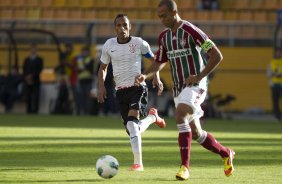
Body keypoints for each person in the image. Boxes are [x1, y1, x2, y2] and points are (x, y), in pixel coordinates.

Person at [135, 0, 235, 180]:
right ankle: (226, 153)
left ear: (174, 13)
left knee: (180, 114)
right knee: (196, 133)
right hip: (179, 88)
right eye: (159, 17)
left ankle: (184, 167)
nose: (162, 19)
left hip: (196, 85)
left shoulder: (191, 31)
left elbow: (216, 55)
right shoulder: (164, 37)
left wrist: (199, 76)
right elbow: (159, 62)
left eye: (164, 15)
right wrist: (145, 75)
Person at [97, 14, 166, 171]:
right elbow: (103, 68)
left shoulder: (139, 43)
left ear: (130, 27)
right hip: (120, 92)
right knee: (132, 128)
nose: (122, 28)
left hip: (137, 88)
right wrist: (101, 86)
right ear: (115, 28)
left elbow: (155, 60)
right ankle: (152, 117)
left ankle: (138, 164)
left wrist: (156, 77)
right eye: (119, 25)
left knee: (132, 125)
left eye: (125, 25)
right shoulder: (109, 45)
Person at [23, 44, 44, 114]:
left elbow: (40, 69)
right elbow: (24, 69)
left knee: (36, 95)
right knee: (28, 95)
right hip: (27, 80)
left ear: (36, 50)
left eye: (34, 49)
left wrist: (32, 75)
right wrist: (26, 76)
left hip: (36, 80)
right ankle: (28, 110)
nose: (33, 50)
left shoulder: (39, 59)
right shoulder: (26, 60)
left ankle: (35, 110)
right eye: (32, 49)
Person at [76, 45, 95, 115]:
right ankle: (82, 111)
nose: (84, 53)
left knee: (88, 97)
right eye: (83, 52)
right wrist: (85, 67)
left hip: (88, 80)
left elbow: (90, 68)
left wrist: (83, 67)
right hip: (81, 80)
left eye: (85, 52)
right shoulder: (79, 59)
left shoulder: (90, 59)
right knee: (81, 97)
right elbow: (78, 69)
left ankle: (88, 111)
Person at [267, 47, 282, 121]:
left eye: (280, 52)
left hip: (281, 84)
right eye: (277, 52)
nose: (278, 53)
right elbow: (268, 73)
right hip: (274, 84)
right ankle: (277, 116)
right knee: (275, 101)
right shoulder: (272, 62)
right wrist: (273, 74)